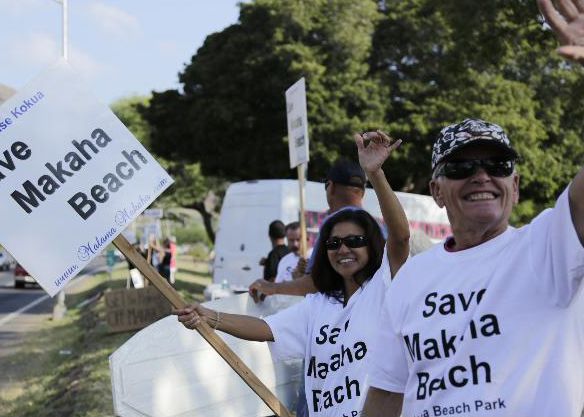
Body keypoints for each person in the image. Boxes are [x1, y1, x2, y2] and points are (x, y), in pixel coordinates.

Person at [363, 12, 584, 412]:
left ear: (514, 187)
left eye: (497, 167)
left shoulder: (549, 248)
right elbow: (386, 393)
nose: (481, 176)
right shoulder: (412, 278)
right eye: (461, 168)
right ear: (437, 191)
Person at [173, 131, 410, 416]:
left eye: (355, 241)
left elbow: (400, 237)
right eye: (333, 243)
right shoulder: (318, 304)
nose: (343, 248)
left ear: (372, 246)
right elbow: (266, 329)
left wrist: (375, 174)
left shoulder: (383, 285)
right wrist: (211, 317)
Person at [248, 159, 367, 300]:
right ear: (363, 191)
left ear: (331, 187)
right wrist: (300, 276)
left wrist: (273, 287)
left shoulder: (332, 224)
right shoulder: (376, 227)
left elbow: (314, 283)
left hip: (338, 315)